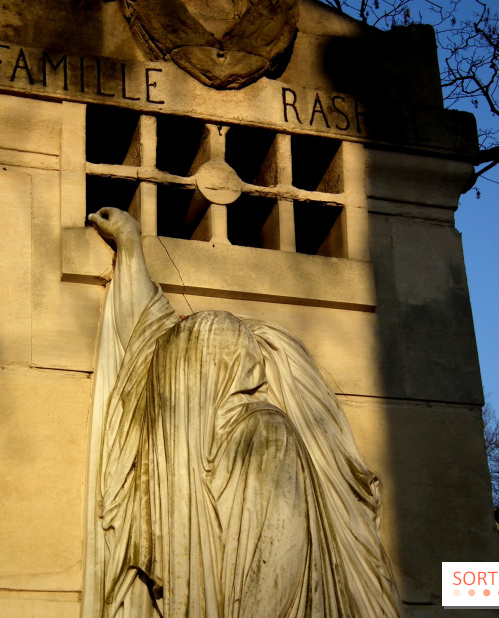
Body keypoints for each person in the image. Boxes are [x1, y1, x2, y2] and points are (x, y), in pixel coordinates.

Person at [85, 207, 400, 617]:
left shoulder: (265, 430)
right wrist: (130, 248)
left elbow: (279, 559)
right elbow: (147, 336)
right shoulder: (191, 438)